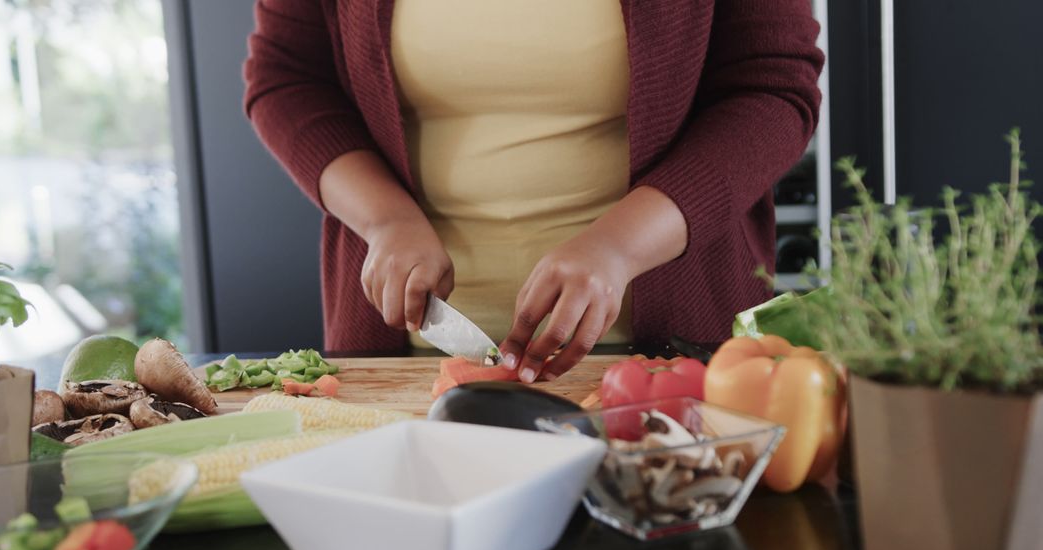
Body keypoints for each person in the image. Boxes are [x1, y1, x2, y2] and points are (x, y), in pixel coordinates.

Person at [244, 0, 823, 381]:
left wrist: (620, 246)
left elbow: (771, 88)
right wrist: (384, 219)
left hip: (663, 365)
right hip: (402, 363)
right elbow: (287, 76)